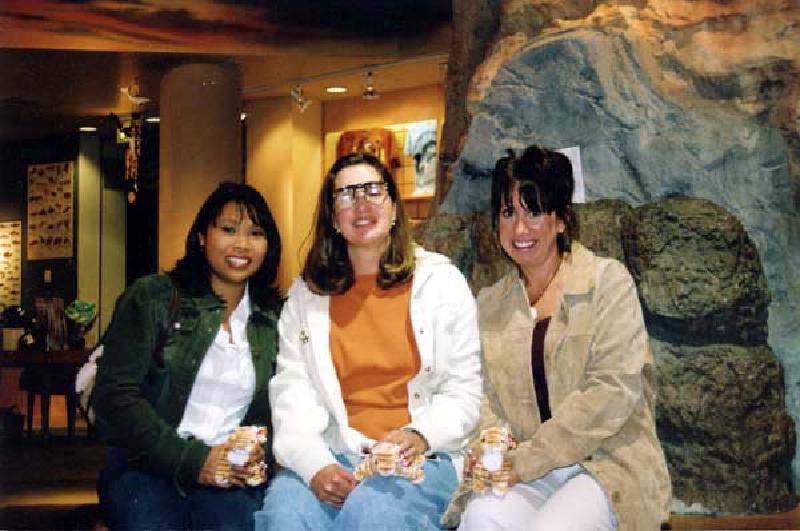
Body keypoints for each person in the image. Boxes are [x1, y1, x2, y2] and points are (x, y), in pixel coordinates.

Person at [443, 145, 671, 530]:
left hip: (605, 462)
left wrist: (529, 459)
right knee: (481, 519)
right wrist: (491, 443)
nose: (519, 229)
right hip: (526, 468)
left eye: (534, 211)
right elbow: (480, 393)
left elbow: (611, 390)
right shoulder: (488, 304)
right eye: (508, 212)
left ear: (562, 219)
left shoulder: (607, 282)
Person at [254, 153, 482, 530]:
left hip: (421, 458)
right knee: (285, 517)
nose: (361, 204)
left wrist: (420, 434)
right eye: (345, 195)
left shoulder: (442, 283)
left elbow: (464, 392)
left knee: (372, 513)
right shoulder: (306, 296)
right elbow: (291, 393)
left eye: (373, 191)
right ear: (332, 217)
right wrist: (315, 465)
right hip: (332, 452)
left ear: (394, 207)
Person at [93, 182, 283, 531]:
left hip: (231, 474)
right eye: (228, 229)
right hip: (148, 467)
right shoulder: (153, 297)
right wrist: (194, 460)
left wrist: (258, 455)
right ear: (201, 237)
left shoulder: (273, 318)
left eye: (255, 233)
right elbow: (114, 397)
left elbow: (283, 405)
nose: (241, 244)